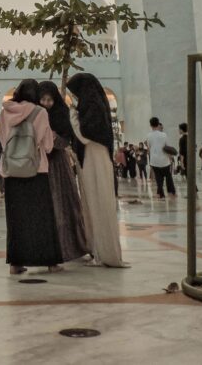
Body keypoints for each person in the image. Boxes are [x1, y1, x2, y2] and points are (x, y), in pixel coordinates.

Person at [0, 79, 62, 275]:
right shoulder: (40, 112)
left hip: (11, 171)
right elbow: (49, 146)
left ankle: (15, 264)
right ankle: (50, 262)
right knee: (41, 217)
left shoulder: (5, 112)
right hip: (36, 171)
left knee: (16, 219)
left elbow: (3, 141)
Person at [66, 73, 128, 268]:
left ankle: (104, 252)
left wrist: (73, 115)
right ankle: (96, 249)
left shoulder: (92, 107)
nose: (75, 97)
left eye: (75, 93)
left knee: (98, 202)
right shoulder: (93, 105)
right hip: (91, 160)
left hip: (94, 159)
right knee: (92, 204)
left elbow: (86, 135)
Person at [37, 81, 90, 263]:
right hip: (41, 165)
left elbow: (67, 140)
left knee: (65, 204)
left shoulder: (61, 113)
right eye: (42, 99)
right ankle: (51, 249)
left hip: (58, 164)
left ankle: (71, 247)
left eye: (49, 100)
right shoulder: (36, 115)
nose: (46, 103)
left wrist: (52, 139)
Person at [147, 118, 176, 199]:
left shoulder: (148, 135)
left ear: (150, 125)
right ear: (158, 124)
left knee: (158, 177)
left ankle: (161, 194)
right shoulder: (164, 135)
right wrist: (170, 157)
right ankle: (171, 191)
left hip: (154, 160)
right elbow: (167, 147)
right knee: (168, 175)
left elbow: (149, 147)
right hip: (164, 160)